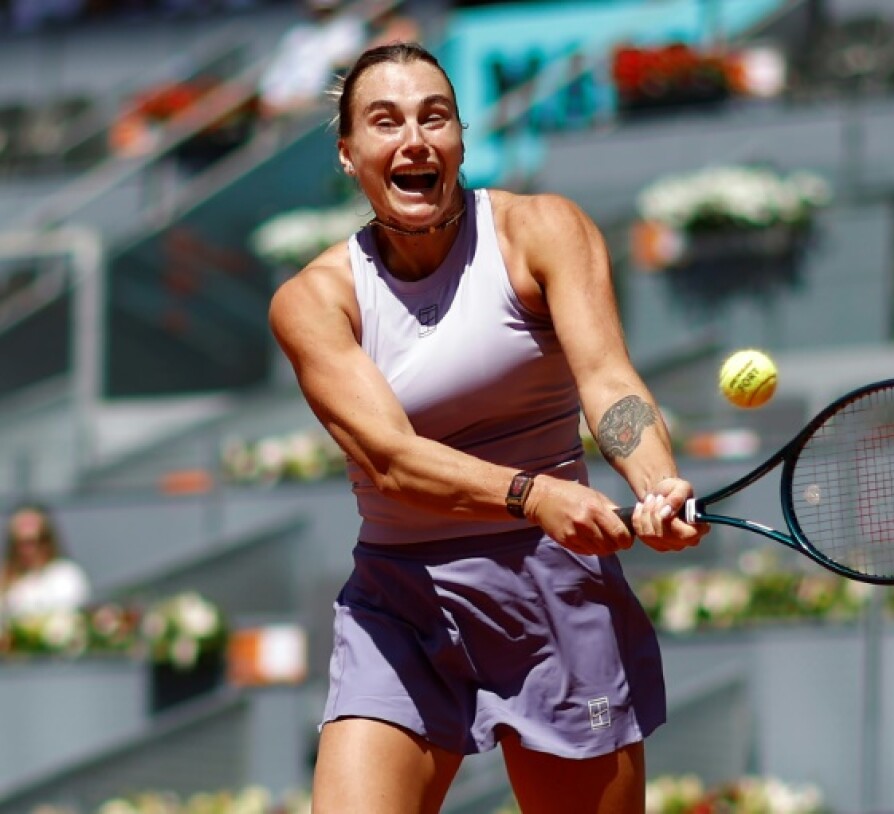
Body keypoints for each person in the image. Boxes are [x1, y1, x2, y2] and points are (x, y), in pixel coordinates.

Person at [267, 42, 708, 814]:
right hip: (400, 602)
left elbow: (607, 381)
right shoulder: (313, 300)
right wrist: (535, 495)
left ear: (461, 139)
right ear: (348, 154)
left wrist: (656, 482)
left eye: (434, 117)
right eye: (385, 121)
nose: (414, 139)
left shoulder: (542, 230)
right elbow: (393, 460)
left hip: (552, 590)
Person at [256, 0, 367, 120]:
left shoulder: (348, 28)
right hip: (282, 110)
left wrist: (302, 103)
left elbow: (339, 71)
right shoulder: (298, 35)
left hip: (320, 110)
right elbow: (272, 81)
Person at [1, 502, 91, 621]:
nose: (26, 550)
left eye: (32, 541)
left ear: (47, 541)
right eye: (19, 542)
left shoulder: (66, 576)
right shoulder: (7, 581)